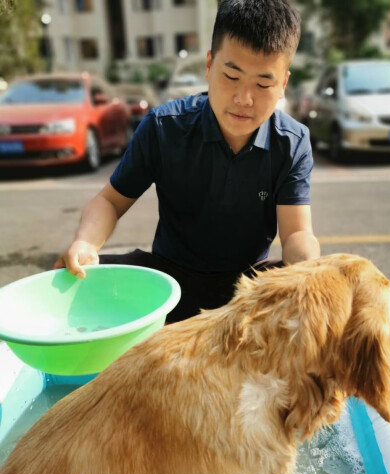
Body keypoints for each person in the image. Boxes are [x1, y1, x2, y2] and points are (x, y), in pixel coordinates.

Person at [55, 0, 320, 322]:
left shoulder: (291, 143)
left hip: (247, 285)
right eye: (231, 76)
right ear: (209, 65)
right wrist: (85, 243)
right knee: (67, 277)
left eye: (263, 84)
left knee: (333, 293)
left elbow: (295, 235)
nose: (244, 99)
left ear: (283, 85)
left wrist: (308, 269)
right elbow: (110, 201)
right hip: (167, 279)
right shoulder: (164, 127)